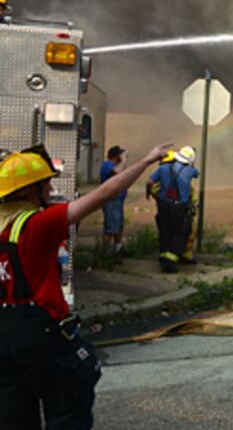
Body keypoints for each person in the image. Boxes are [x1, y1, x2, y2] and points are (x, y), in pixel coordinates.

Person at [0, 142, 171, 430]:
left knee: (14, 415)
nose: (51, 189)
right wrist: (146, 160)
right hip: (40, 331)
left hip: (3, 336)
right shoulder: (39, 224)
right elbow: (106, 192)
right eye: (47, 184)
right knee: (69, 401)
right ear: (32, 190)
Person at [145, 145, 198, 273]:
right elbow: (196, 173)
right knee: (181, 232)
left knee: (165, 229)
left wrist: (150, 194)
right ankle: (170, 261)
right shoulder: (190, 171)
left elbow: (149, 182)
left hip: (162, 204)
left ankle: (163, 255)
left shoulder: (162, 168)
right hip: (179, 206)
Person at [99, 145, 128, 256]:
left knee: (118, 226)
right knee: (110, 227)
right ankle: (105, 253)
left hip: (118, 200)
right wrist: (124, 160)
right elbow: (117, 171)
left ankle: (118, 248)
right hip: (111, 201)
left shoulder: (116, 165)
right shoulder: (107, 165)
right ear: (116, 156)